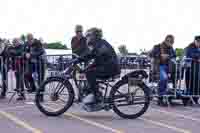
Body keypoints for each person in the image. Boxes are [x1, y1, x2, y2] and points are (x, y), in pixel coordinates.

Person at [76, 28, 121, 111]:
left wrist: (79, 59)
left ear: (95, 36)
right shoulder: (99, 43)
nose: (87, 38)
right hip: (108, 66)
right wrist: (86, 68)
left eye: (89, 35)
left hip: (110, 68)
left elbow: (92, 54)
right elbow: (97, 60)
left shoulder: (100, 44)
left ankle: (97, 97)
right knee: (88, 71)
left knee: (90, 73)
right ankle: (95, 94)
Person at [150, 35, 176, 106]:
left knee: (173, 80)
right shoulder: (157, 46)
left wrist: (168, 56)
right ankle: (160, 98)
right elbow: (151, 54)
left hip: (169, 67)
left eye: (171, 42)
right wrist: (160, 55)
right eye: (169, 41)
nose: (170, 43)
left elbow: (174, 56)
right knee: (164, 78)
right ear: (166, 40)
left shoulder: (171, 48)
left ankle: (170, 98)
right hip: (159, 66)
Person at [183, 36, 200, 105]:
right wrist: (197, 57)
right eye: (198, 41)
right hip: (190, 70)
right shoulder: (190, 47)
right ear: (195, 41)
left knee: (197, 84)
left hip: (197, 69)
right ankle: (189, 99)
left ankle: (195, 99)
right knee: (191, 84)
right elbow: (190, 55)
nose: (199, 43)